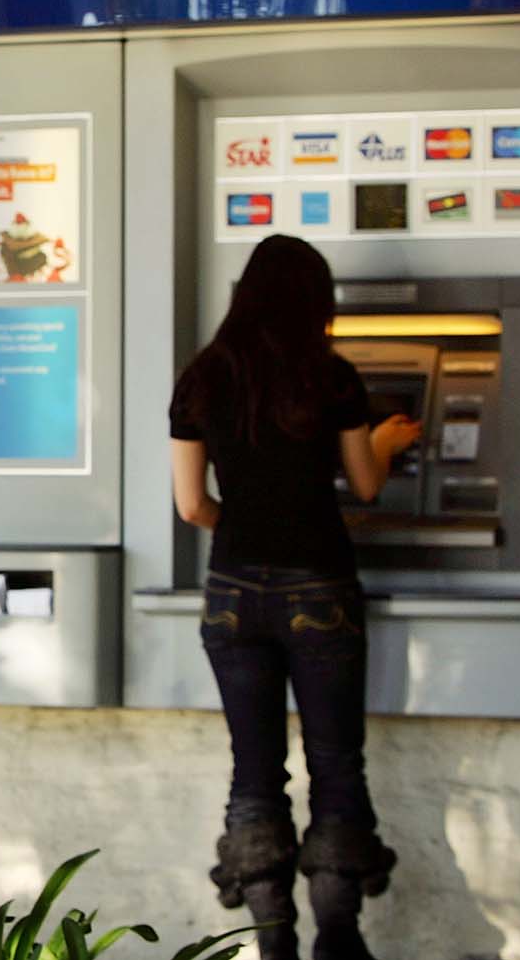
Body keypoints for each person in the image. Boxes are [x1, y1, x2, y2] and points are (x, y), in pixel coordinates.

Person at [168, 234, 420, 960]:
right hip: (322, 587)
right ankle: (337, 933)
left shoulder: (203, 378)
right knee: (336, 760)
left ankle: (270, 935)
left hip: (232, 595)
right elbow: (365, 484)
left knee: (255, 768)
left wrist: (241, 528)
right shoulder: (331, 378)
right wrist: (387, 442)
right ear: (316, 302)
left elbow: (191, 505)